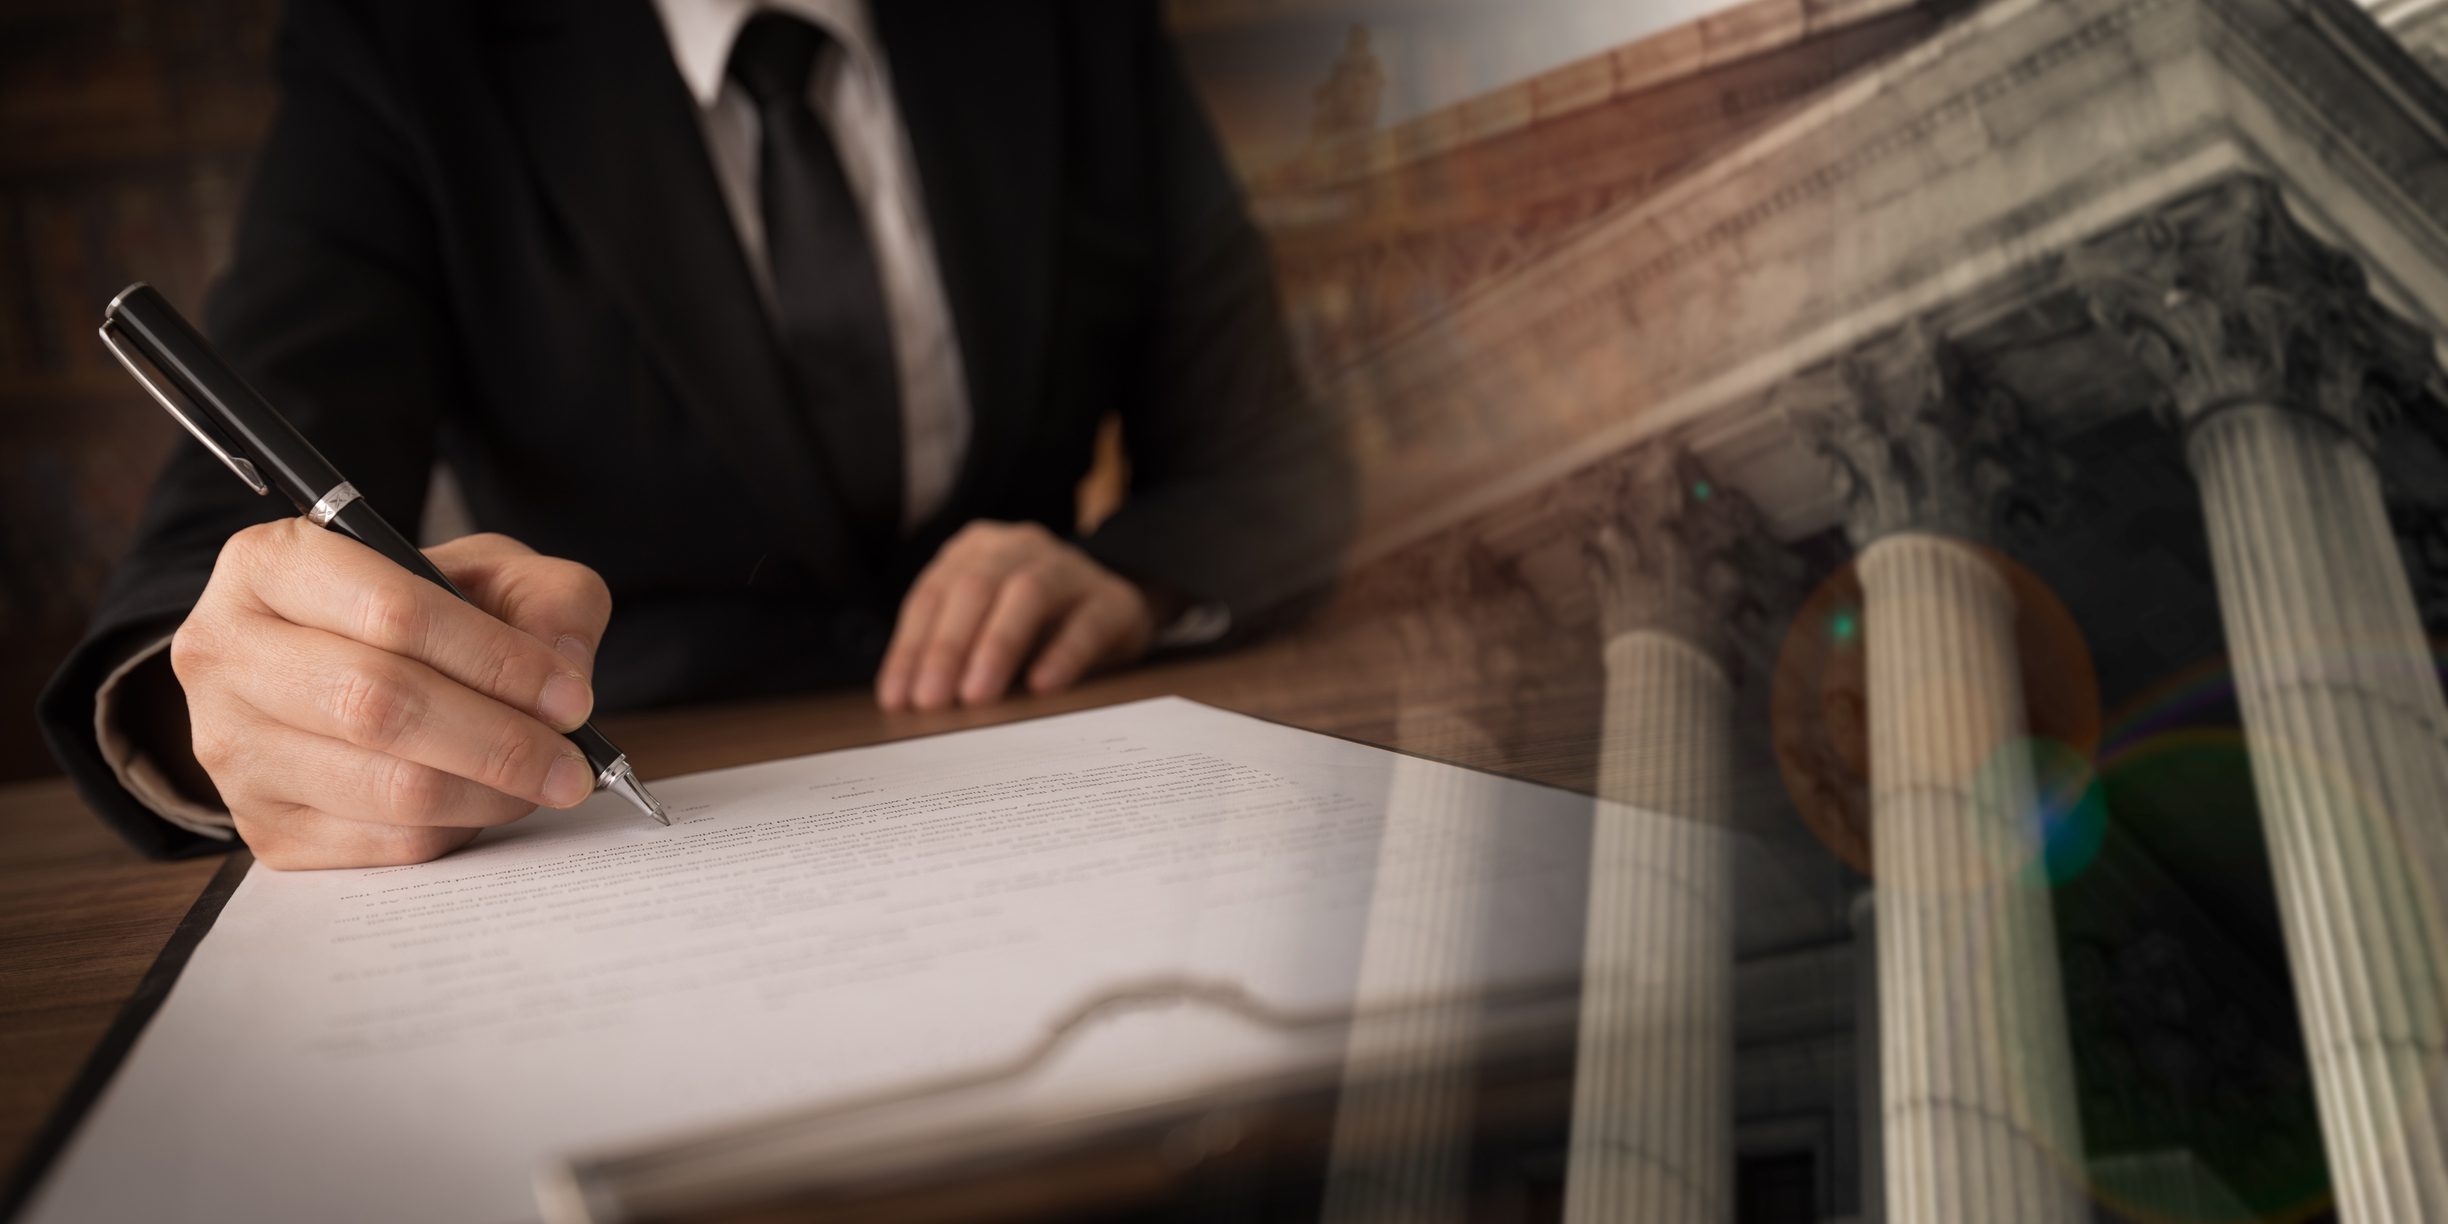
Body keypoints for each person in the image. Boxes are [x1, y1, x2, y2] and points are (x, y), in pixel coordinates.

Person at [38, 0, 1351, 868]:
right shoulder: (403, 48)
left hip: (1066, 782)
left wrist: (1135, 576)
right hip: (609, 799)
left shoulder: (1073, 25)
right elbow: (232, 530)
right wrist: (232, 701)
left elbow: (1276, 464)